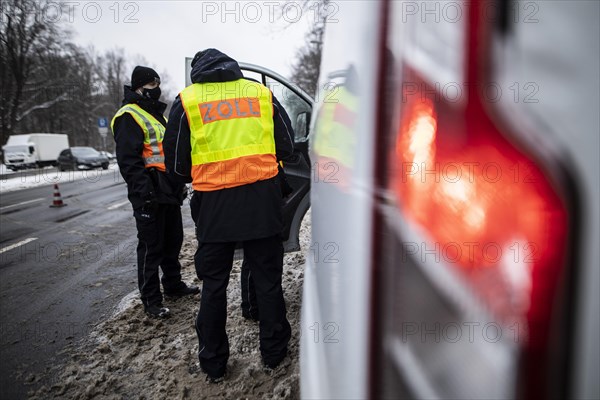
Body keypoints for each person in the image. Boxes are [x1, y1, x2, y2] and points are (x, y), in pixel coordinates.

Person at [163, 48, 294, 381]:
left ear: (198, 72)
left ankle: (214, 363)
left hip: (214, 207)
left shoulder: (188, 101)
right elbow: (288, 147)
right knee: (267, 281)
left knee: (214, 287)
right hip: (262, 203)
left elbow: (177, 166)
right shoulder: (260, 94)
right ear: (231, 66)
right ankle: (275, 355)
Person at [111, 65, 200, 319]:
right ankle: (151, 299)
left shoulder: (156, 115)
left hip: (167, 189)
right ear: (139, 87)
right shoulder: (128, 115)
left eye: (157, 84)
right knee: (151, 248)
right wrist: (144, 192)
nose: (156, 89)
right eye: (151, 85)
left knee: (173, 242)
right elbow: (129, 161)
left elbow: (167, 154)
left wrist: (177, 183)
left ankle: (172, 285)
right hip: (148, 191)